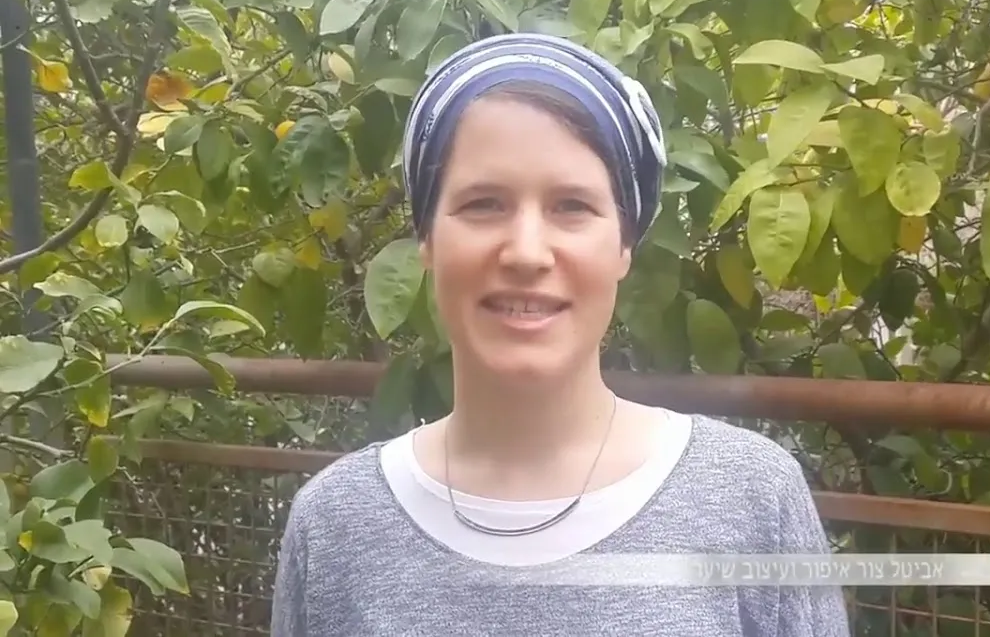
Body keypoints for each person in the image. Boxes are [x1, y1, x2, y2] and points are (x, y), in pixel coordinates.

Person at [270, 32, 850, 636]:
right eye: (483, 203)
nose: (527, 252)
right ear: (427, 240)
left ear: (624, 245)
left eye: (572, 206)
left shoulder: (750, 498)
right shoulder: (335, 523)